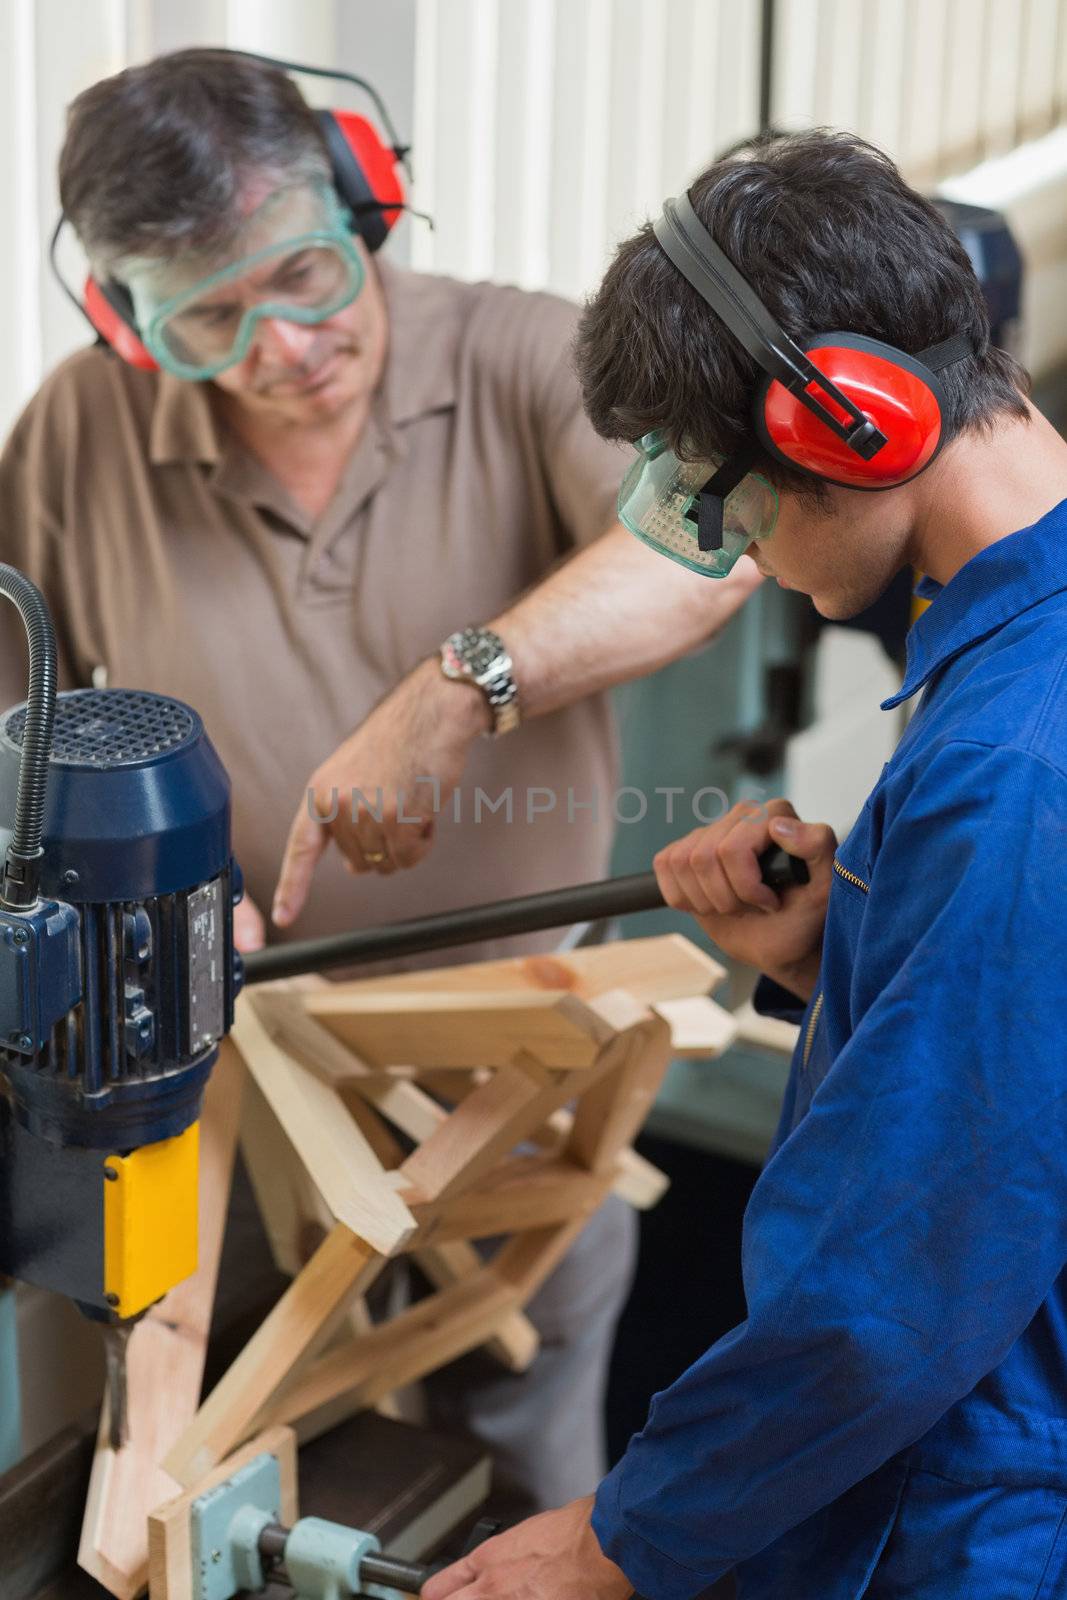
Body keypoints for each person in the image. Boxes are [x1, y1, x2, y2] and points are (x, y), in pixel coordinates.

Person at [0, 49, 760, 1513]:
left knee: (525, 1477)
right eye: (208, 315)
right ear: (122, 315)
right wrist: (122, 905)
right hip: (218, 1090)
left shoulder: (531, 355)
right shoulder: (78, 429)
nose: (279, 343)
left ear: (366, 202)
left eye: (302, 274)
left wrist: (457, 687)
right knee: (214, 1473)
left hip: (509, 1084)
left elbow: (701, 556)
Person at [423, 129, 1067, 1599]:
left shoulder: (1012, 764)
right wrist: (831, 959)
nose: (733, 553)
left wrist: (616, 1541)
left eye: (725, 501)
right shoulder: (1014, 654)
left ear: (858, 428)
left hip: (993, 1504)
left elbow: (905, 1283)